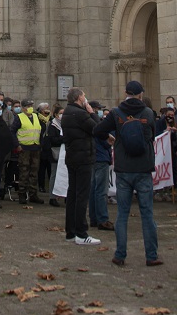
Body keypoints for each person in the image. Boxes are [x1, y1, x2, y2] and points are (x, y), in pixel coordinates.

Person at [94, 80, 161, 267]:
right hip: (143, 168)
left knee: (122, 213)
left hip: (123, 169)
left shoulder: (116, 113)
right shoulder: (148, 113)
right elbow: (152, 137)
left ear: (125, 92)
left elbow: (97, 130)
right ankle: (152, 255)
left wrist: (111, 139)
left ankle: (120, 254)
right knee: (147, 213)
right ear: (140, 94)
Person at [61, 87, 101, 246]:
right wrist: (92, 112)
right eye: (84, 96)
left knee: (72, 194)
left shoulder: (67, 113)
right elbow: (97, 129)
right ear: (79, 98)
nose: (86, 98)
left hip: (72, 156)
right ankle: (81, 233)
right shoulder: (80, 113)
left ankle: (70, 232)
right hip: (83, 157)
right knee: (82, 195)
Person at [12, 98, 44, 204]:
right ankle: (22, 194)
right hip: (24, 148)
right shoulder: (19, 117)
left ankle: (33, 194)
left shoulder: (35, 116)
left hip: (35, 148)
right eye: (28, 106)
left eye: (31, 106)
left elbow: (40, 130)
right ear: (23, 108)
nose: (30, 108)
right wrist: (17, 145)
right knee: (24, 172)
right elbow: (12, 132)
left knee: (34, 172)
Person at [88, 102, 114, 231]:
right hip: (100, 157)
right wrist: (109, 143)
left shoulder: (87, 122)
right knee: (101, 191)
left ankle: (93, 218)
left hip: (92, 158)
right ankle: (102, 219)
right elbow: (104, 141)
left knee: (93, 189)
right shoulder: (97, 124)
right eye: (97, 109)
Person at [46, 103, 65, 207]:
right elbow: (52, 140)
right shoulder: (53, 125)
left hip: (65, 153)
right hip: (56, 153)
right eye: (61, 113)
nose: (63, 115)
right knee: (54, 174)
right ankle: (52, 197)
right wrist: (63, 139)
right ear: (56, 115)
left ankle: (65, 195)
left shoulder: (66, 125)